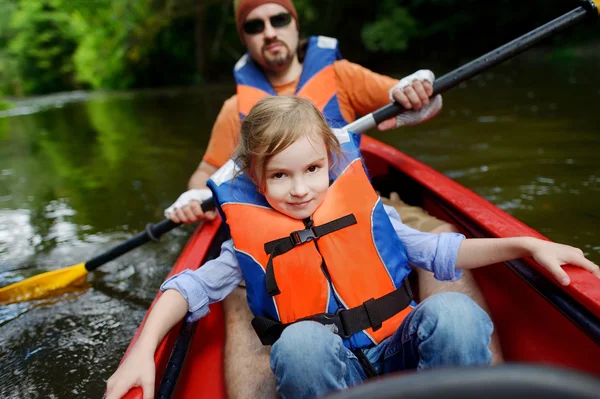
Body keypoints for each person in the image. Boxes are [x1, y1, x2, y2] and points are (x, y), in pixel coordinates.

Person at [106, 97, 600, 399]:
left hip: (399, 350)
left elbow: (443, 254)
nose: (300, 189)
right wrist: (142, 352)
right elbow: (185, 287)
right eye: (280, 176)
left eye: (312, 170)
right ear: (256, 179)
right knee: (298, 344)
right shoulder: (245, 246)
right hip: (329, 375)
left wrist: (527, 247)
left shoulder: (371, 213)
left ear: (329, 163)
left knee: (453, 310)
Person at [164, 1, 498, 397]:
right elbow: (207, 173)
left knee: (439, 233)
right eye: (255, 25)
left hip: (361, 206)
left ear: (295, 24)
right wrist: (192, 192)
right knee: (238, 295)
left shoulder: (340, 75)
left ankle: (479, 376)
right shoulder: (233, 110)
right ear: (245, 37)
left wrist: (413, 91)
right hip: (275, 219)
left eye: (279, 19)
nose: (269, 31)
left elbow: (417, 105)